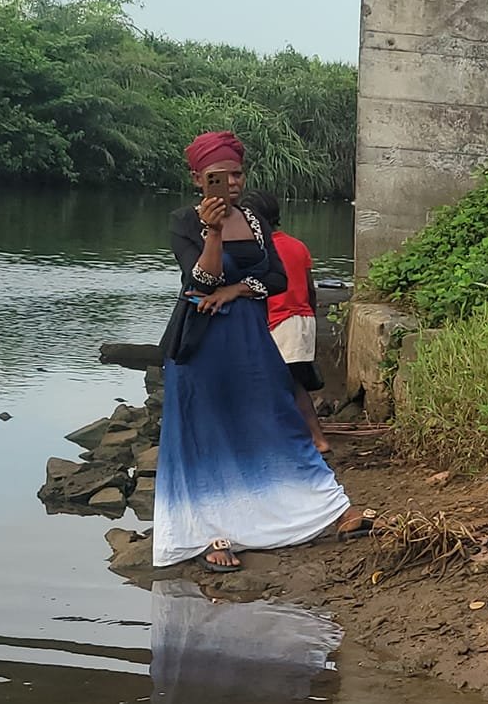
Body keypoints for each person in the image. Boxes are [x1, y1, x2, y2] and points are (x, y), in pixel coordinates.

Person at [153, 131, 372, 571]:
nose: (231, 183)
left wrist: (236, 289)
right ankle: (213, 534)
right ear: (198, 179)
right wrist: (213, 233)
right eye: (219, 176)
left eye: (236, 174)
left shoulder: (254, 218)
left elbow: (275, 278)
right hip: (201, 344)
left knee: (278, 416)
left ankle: (332, 509)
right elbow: (200, 283)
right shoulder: (183, 221)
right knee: (208, 431)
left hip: (251, 337)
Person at [244, 190, 327, 453]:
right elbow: (310, 289)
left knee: (284, 383)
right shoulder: (298, 245)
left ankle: (314, 438)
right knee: (291, 381)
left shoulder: (258, 250)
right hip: (303, 320)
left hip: (279, 323)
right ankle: (308, 437)